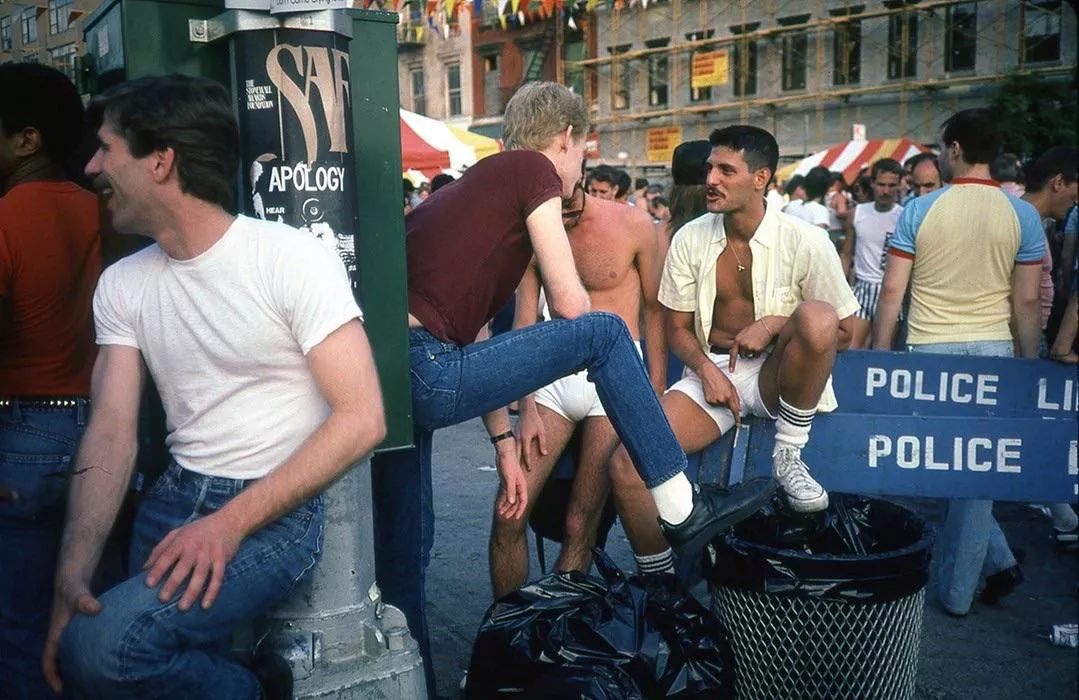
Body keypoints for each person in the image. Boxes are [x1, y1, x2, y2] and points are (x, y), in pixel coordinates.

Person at [383, 81, 771, 693]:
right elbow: (569, 305)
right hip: (428, 365)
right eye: (580, 157)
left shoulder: (468, 192)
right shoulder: (530, 171)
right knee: (606, 332)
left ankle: (425, 684)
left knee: (406, 554)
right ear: (567, 139)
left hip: (392, 375)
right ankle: (679, 505)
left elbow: (478, 331)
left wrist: (503, 442)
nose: (574, 176)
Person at [42, 75, 386, 699]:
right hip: (173, 500)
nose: (92, 168)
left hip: (271, 515)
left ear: (161, 161)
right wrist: (73, 575)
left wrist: (226, 527)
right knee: (101, 659)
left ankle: (256, 689)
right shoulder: (122, 284)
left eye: (106, 149)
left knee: (104, 649)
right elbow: (111, 432)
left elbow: (362, 419)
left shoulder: (291, 257)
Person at [607, 125, 859, 577]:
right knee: (628, 464)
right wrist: (705, 369)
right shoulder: (690, 238)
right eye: (710, 169)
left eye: (726, 170)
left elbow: (843, 331)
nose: (711, 180)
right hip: (716, 371)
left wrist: (775, 324)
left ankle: (788, 455)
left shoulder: (807, 240)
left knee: (818, 314)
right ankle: (660, 584)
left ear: (760, 178)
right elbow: (677, 328)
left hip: (779, 377)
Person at [873, 108, 1044, 617]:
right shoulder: (1023, 215)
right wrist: (1029, 366)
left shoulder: (919, 210)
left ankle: (959, 590)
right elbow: (1027, 302)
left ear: (954, 149)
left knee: (947, 468)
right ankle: (976, 579)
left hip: (929, 351)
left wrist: (878, 359)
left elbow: (892, 292)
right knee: (976, 471)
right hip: (994, 351)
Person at [489, 177, 665, 598]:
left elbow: (655, 311)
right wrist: (526, 407)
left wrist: (654, 392)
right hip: (554, 377)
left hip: (615, 378)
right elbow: (524, 324)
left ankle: (561, 627)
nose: (563, 215)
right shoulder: (535, 232)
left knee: (580, 523)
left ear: (580, 178)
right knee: (509, 513)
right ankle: (509, 625)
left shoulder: (634, 225)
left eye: (568, 205)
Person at [0, 62, 102, 699]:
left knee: (21, 629)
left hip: (23, 438)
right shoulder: (106, 210)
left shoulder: (6, 216)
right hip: (106, 435)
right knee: (91, 614)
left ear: (26, 139)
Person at [840, 158, 904, 348]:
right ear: (873, 184)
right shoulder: (857, 212)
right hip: (862, 288)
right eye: (881, 184)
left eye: (891, 185)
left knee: (882, 352)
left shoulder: (903, 216)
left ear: (899, 185)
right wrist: (839, 288)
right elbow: (846, 254)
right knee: (850, 349)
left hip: (891, 290)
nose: (886, 191)